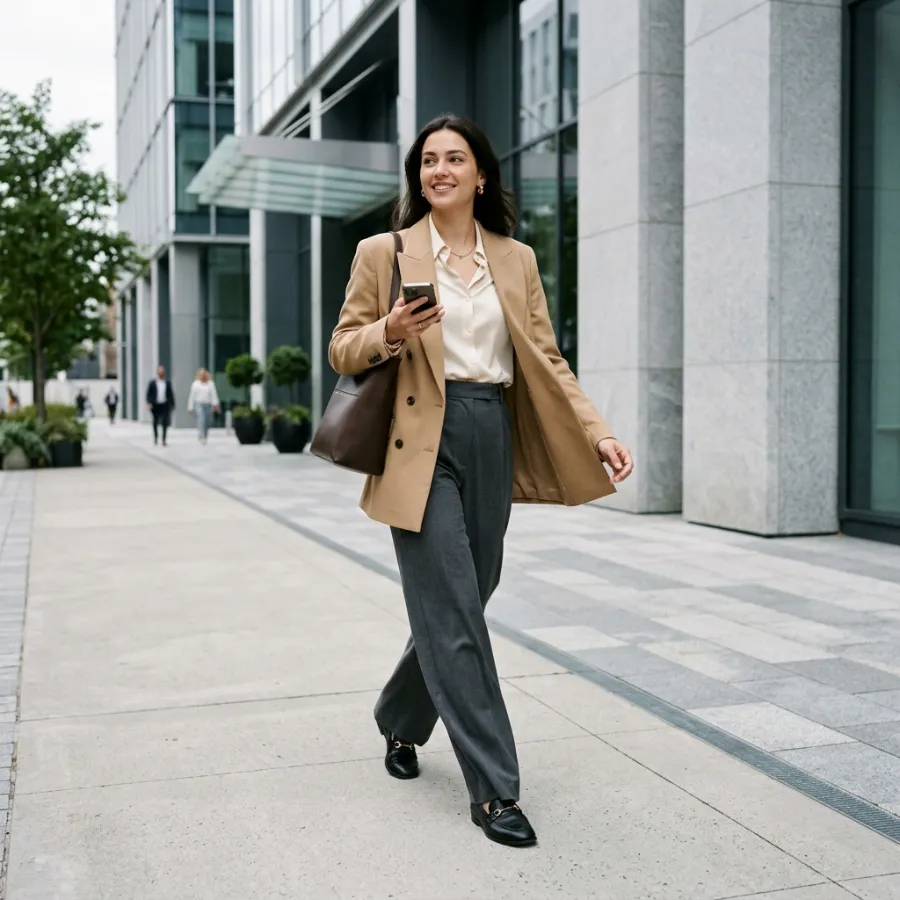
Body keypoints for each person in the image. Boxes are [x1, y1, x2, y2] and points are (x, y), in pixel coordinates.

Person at [328, 114, 634, 848]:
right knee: (456, 614)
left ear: (480, 174)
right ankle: (495, 790)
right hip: (416, 440)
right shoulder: (385, 251)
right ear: (418, 176)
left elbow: (548, 358)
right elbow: (343, 348)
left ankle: (399, 718)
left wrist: (598, 430)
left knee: (464, 599)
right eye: (427, 160)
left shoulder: (516, 258)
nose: (438, 170)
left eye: (453, 159)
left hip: (489, 428)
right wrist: (391, 332)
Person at [187, 368, 220, 444]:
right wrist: (190, 407)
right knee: (201, 420)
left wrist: (216, 404)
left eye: (204, 374)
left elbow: (213, 394)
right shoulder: (195, 384)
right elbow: (192, 396)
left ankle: (205, 435)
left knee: (207, 421)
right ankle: (201, 436)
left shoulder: (210, 383)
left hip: (208, 404)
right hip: (199, 404)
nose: (203, 376)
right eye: (201, 375)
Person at [145, 364, 176, 446]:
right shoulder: (152, 383)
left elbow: (171, 394)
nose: (161, 373)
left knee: (165, 422)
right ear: (157, 372)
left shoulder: (167, 382)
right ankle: (156, 437)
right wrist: (149, 403)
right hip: (155, 405)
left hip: (165, 405)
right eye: (160, 371)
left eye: (163, 371)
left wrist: (172, 405)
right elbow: (149, 394)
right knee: (155, 422)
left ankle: (164, 439)